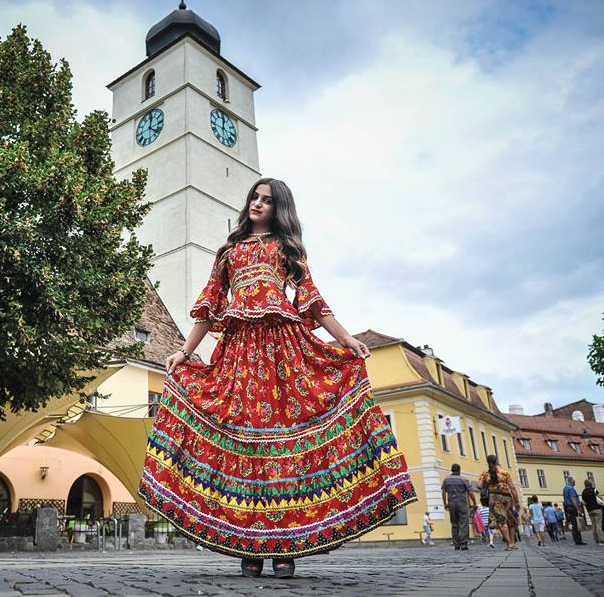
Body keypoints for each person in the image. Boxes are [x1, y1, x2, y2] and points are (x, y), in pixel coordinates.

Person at [138, 178, 418, 579]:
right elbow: (207, 308)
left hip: (283, 354)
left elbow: (315, 303)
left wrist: (347, 339)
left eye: (267, 200)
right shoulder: (229, 252)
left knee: (282, 451)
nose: (257, 203)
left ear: (278, 208)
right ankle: (249, 547)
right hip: (238, 356)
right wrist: (184, 352)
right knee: (245, 448)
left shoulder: (287, 250)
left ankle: (286, 548)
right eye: (254, 197)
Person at [477, 454, 520, 551]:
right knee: (510, 521)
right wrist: (516, 501)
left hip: (494, 499)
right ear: (496, 462)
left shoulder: (484, 474)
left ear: (487, 462)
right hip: (507, 498)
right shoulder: (504, 473)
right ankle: (512, 543)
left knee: (501, 521)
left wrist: (486, 483)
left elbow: (479, 486)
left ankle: (508, 544)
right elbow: (512, 488)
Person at [441, 463, 477, 550]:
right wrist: (474, 502)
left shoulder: (446, 479)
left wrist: (445, 503)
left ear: (451, 470)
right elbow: (470, 492)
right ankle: (463, 544)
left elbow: (443, 492)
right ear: (459, 470)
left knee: (454, 524)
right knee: (463, 524)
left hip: (452, 504)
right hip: (462, 504)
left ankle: (456, 544)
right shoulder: (463, 479)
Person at [562, 477, 586, 545]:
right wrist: (578, 508)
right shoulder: (571, 489)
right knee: (576, 524)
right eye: (574, 481)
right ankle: (578, 540)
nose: (575, 482)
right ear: (572, 481)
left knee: (574, 524)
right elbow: (573, 499)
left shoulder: (565, 488)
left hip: (568, 507)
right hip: (573, 507)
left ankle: (576, 539)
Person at [581, 479, 604, 545]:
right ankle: (601, 540)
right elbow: (600, 497)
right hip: (597, 509)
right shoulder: (594, 490)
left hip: (589, 510)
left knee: (593, 525)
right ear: (590, 484)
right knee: (598, 525)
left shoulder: (584, 492)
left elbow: (583, 502)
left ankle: (596, 540)